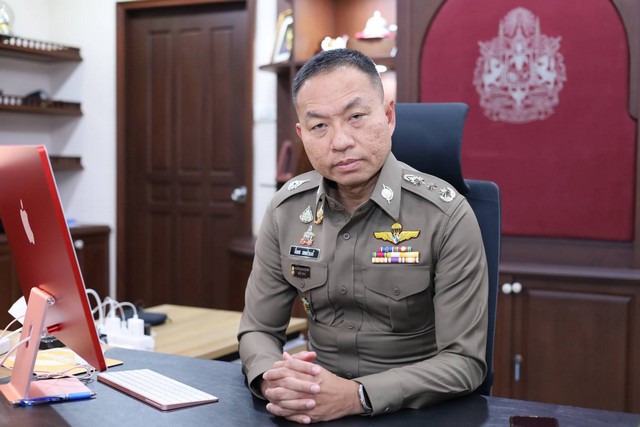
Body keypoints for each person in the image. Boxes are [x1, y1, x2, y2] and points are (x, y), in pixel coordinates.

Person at [238, 48, 488, 424]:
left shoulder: (446, 215)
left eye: (355, 117)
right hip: (312, 407)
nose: (340, 141)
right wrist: (272, 379)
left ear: (388, 117)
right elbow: (257, 329)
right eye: (319, 126)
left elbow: (464, 362)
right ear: (302, 135)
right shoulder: (286, 210)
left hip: (415, 411)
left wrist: (357, 396)